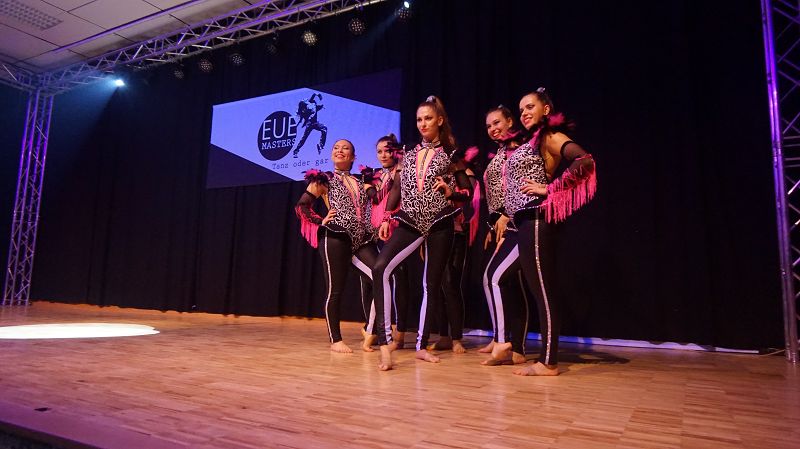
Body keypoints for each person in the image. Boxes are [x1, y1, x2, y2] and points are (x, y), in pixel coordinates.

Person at [371, 96, 472, 370]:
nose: (423, 123)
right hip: (410, 220)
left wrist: (451, 192)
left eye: (428, 118)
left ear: (439, 120)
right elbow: (396, 188)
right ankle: (385, 342)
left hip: (440, 222)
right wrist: (387, 217)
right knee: (380, 268)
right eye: (419, 119)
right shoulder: (408, 153)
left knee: (431, 284)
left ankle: (421, 346)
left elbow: (468, 192)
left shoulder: (451, 153)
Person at [503, 88, 597, 376]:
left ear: (546, 109)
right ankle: (517, 346)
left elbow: (584, 161)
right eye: (521, 109)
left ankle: (548, 362)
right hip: (523, 222)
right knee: (509, 280)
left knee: (542, 291)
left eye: (530, 106)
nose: (524, 113)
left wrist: (550, 188)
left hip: (536, 220)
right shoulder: (532, 140)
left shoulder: (549, 136)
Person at [294, 139, 378, 353]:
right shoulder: (324, 179)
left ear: (353, 157)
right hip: (335, 237)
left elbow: (375, 203)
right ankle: (336, 340)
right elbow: (302, 205)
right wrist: (320, 220)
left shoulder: (361, 181)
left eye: (345, 148)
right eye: (336, 148)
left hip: (361, 239)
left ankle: (370, 329)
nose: (340, 150)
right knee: (335, 289)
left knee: (381, 276)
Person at [479, 105, 531, 366]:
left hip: (518, 223)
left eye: (497, 123)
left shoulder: (519, 148)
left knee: (498, 279)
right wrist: (493, 227)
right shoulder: (502, 151)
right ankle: (508, 342)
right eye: (489, 126)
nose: (493, 129)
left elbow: (519, 188)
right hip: (502, 226)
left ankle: (508, 342)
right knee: (504, 282)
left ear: (510, 121)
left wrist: (506, 216)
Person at [292, 92, 328, 157]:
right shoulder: (308, 106)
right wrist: (318, 95)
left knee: (324, 129)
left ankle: (321, 145)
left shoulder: (315, 106)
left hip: (315, 123)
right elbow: (313, 96)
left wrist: (321, 104)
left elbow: (318, 106)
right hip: (309, 124)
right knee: (304, 138)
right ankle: (296, 150)